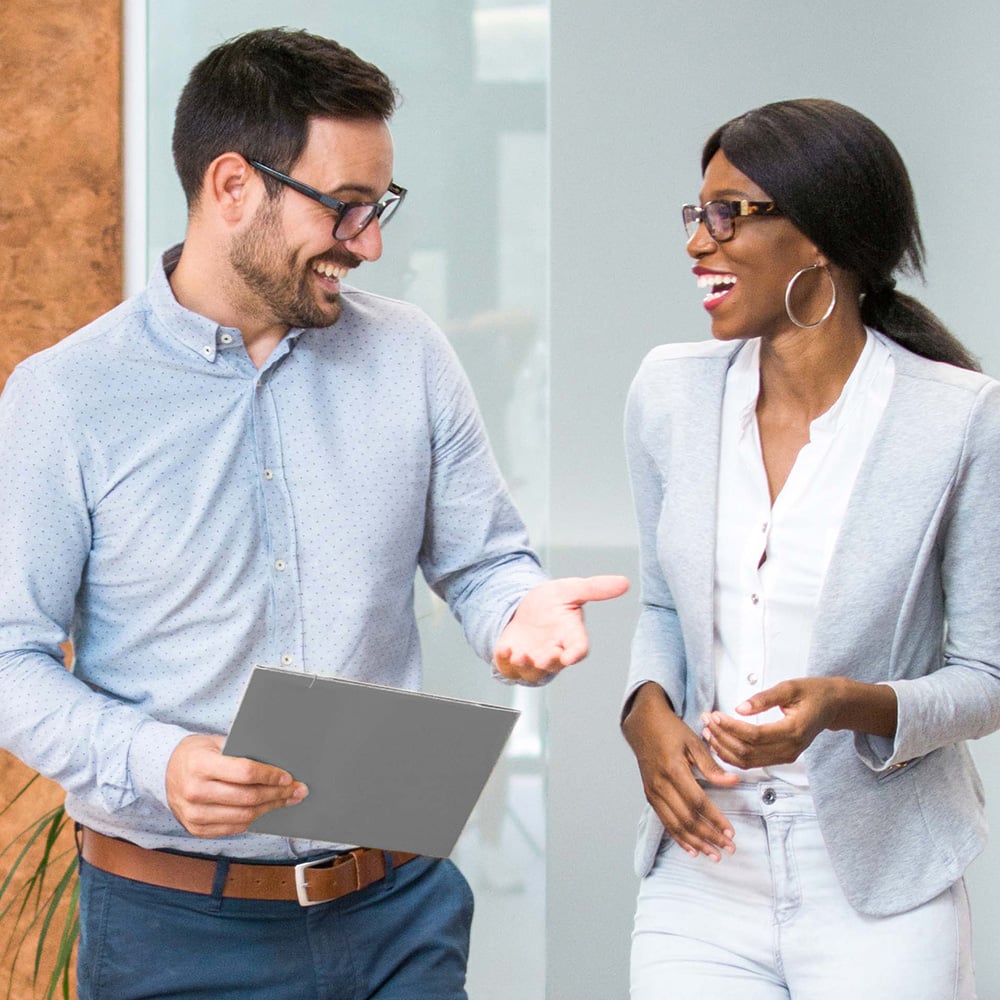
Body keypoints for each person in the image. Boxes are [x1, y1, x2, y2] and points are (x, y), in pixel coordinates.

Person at [0, 27, 627, 1000]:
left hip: (395, 904)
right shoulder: (66, 399)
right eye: (344, 207)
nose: (371, 243)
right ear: (231, 186)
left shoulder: (409, 355)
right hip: (176, 931)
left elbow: (482, 559)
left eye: (380, 208)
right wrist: (154, 762)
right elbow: (8, 658)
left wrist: (519, 609)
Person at [621, 97, 999, 1000]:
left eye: (729, 214)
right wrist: (643, 709)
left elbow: (988, 677)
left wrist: (842, 704)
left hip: (878, 887)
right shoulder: (668, 395)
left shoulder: (960, 419)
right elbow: (664, 605)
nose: (697, 243)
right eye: (695, 214)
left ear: (822, 235)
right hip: (701, 871)